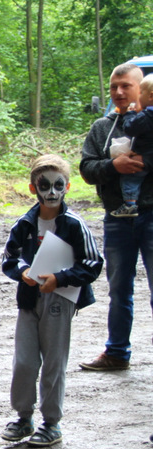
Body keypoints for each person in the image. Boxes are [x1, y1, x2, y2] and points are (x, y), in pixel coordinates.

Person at [0, 155, 103, 447]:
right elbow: (9, 258)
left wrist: (61, 278)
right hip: (28, 299)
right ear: (33, 188)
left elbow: (92, 263)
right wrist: (22, 272)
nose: (52, 192)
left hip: (60, 299)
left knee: (54, 362)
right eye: (44, 186)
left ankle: (51, 422)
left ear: (67, 187)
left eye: (58, 186)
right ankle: (23, 417)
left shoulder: (74, 224)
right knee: (24, 361)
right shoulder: (25, 223)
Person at [79, 62, 150, 371]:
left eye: (126, 86)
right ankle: (117, 353)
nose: (119, 92)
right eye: (113, 87)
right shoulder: (101, 127)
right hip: (117, 220)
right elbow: (86, 169)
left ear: (141, 89)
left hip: (151, 215)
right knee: (119, 289)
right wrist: (113, 166)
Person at [111, 74, 153, 218]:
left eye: (141, 93)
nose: (138, 97)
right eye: (114, 87)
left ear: (151, 96)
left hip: (140, 159)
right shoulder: (102, 125)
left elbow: (129, 128)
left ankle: (130, 204)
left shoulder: (146, 116)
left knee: (130, 178)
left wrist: (129, 115)